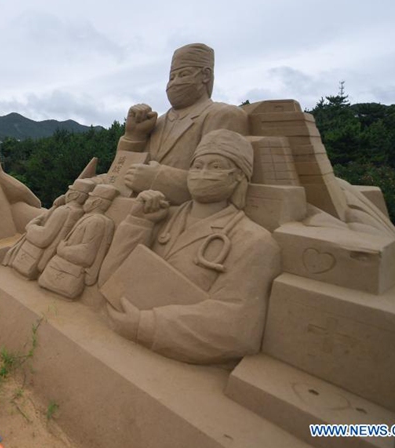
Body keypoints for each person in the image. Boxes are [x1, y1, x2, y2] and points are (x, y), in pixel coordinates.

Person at [101, 130, 280, 364]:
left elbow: (237, 326)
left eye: (216, 167)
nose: (202, 174)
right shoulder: (162, 216)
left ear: (238, 176)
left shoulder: (254, 241)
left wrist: (145, 325)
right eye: (197, 166)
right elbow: (109, 279)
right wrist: (138, 222)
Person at [118, 43, 249, 205]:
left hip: (184, 215)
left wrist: (157, 179)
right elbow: (119, 175)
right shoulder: (157, 123)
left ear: (205, 76)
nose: (174, 83)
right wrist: (134, 136)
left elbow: (222, 183)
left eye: (183, 74)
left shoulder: (223, 115)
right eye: (171, 77)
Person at [38, 184, 119, 299]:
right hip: (62, 269)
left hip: (67, 274)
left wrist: (62, 249)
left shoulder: (96, 222)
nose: (86, 201)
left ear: (96, 202)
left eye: (90, 198)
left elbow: (86, 254)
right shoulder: (91, 218)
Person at [3, 179, 95, 280]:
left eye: (70, 191)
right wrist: (56, 206)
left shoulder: (63, 211)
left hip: (36, 257)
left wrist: (31, 226)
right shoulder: (80, 213)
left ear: (74, 195)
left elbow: (43, 237)